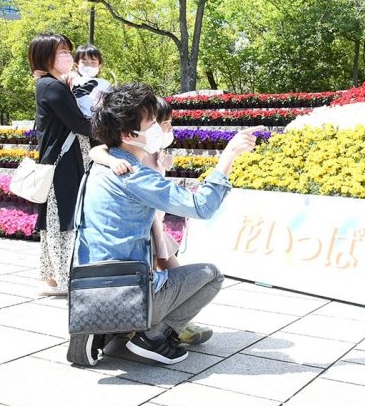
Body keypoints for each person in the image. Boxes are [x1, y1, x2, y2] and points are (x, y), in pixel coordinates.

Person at [68, 82, 261, 365]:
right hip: (127, 287)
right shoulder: (134, 174)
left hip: (89, 283)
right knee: (211, 274)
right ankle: (151, 337)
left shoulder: (101, 167)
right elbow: (201, 206)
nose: (159, 128)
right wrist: (228, 156)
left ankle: (102, 326)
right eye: (152, 123)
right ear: (128, 134)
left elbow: (98, 152)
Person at [28, 33, 93, 297]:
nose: (68, 56)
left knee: (59, 218)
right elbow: (80, 123)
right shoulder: (52, 87)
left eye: (68, 51)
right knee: (62, 219)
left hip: (63, 161)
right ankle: (65, 278)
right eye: (61, 52)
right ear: (46, 57)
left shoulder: (52, 84)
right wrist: (117, 129)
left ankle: (55, 277)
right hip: (61, 164)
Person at [90, 97, 181, 270]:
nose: (169, 128)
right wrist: (111, 161)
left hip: (156, 219)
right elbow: (96, 151)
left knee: (168, 267)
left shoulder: (155, 151)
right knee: (155, 267)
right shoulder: (138, 150)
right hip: (146, 224)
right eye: (164, 123)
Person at [71, 44, 112, 170]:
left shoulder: (105, 84)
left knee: (98, 162)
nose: (89, 65)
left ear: (100, 65)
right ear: (76, 65)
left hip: (99, 127)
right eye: (84, 62)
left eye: (93, 62)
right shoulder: (71, 81)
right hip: (77, 128)